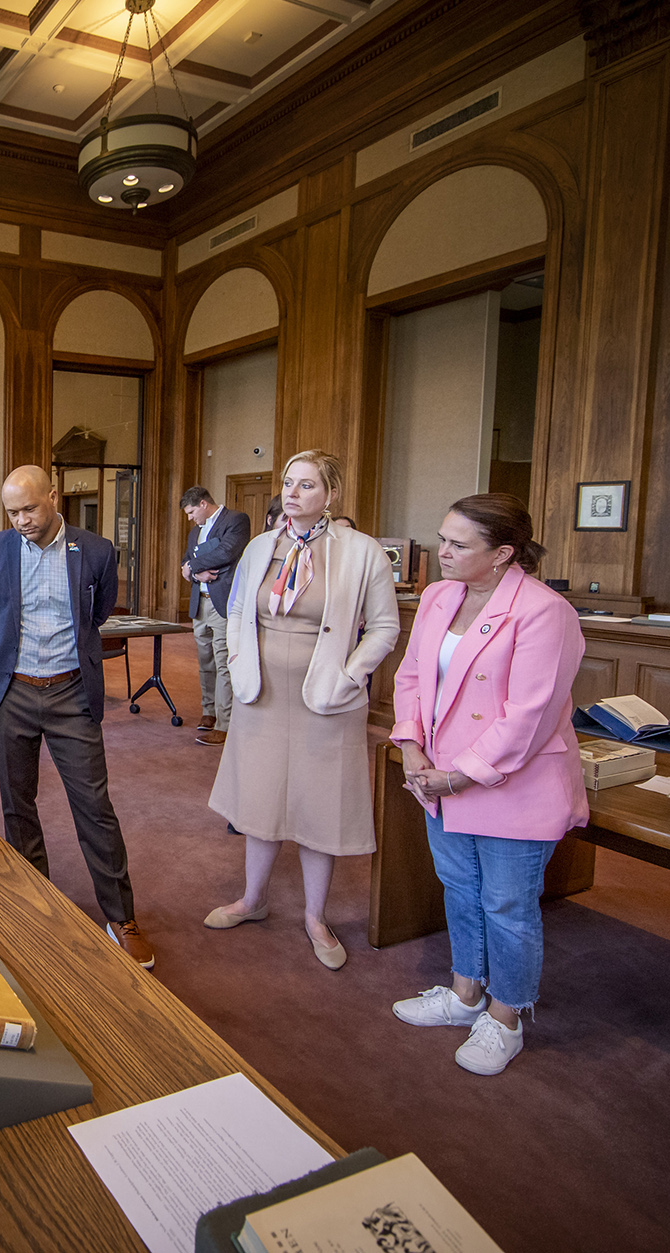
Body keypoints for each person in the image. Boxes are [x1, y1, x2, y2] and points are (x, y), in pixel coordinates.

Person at [388, 492, 585, 1076]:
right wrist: (410, 746)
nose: (440, 552)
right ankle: (464, 993)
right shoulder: (439, 595)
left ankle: (505, 1017)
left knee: (507, 904)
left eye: (457, 544)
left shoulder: (545, 611)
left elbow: (530, 713)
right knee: (459, 888)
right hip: (438, 774)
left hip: (509, 781)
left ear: (502, 553)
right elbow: (413, 675)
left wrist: (457, 775)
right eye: (441, 538)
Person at [205, 451, 399, 971]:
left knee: (320, 806)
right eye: (289, 483)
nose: (292, 493)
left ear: (330, 495)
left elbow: (384, 627)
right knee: (262, 801)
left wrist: (352, 673)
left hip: (327, 698)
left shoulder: (363, 553)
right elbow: (241, 606)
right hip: (262, 694)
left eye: (306, 485)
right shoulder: (261, 546)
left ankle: (316, 917)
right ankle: (253, 899)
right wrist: (243, 657)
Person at [0, 465, 154, 969]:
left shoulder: (95, 551)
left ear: (54, 498)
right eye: (13, 512)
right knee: (17, 803)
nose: (22, 520)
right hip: (12, 691)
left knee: (94, 805)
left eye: (30, 508)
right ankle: (37, 901)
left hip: (72, 691)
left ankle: (122, 917)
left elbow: (97, 616)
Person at [181, 487, 251, 749]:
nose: (190, 518)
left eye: (191, 512)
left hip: (223, 602)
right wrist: (194, 572)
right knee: (205, 661)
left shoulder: (235, 520)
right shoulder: (195, 531)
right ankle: (208, 711)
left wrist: (193, 567)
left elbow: (227, 553)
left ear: (202, 504)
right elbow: (187, 561)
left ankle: (224, 723)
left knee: (223, 662)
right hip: (200, 604)